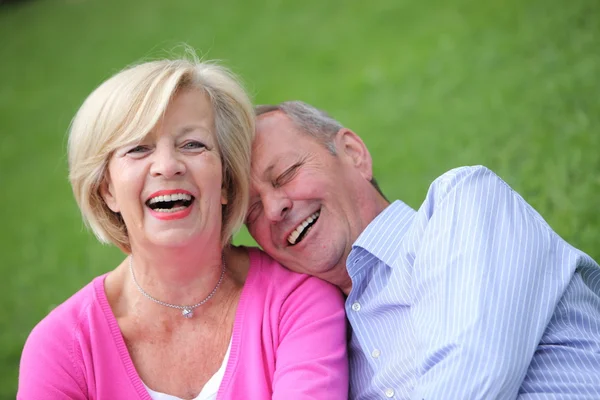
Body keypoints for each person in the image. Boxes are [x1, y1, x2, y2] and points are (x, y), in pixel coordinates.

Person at [18, 63, 348, 399]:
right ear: (107, 190)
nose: (167, 165)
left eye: (192, 144)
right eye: (138, 148)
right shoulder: (61, 346)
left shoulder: (297, 302)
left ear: (224, 180)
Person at [246, 100, 600, 399]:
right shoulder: (320, 351)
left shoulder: (463, 203)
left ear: (353, 154)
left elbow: (471, 373)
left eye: (286, 174)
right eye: (253, 211)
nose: (275, 208)